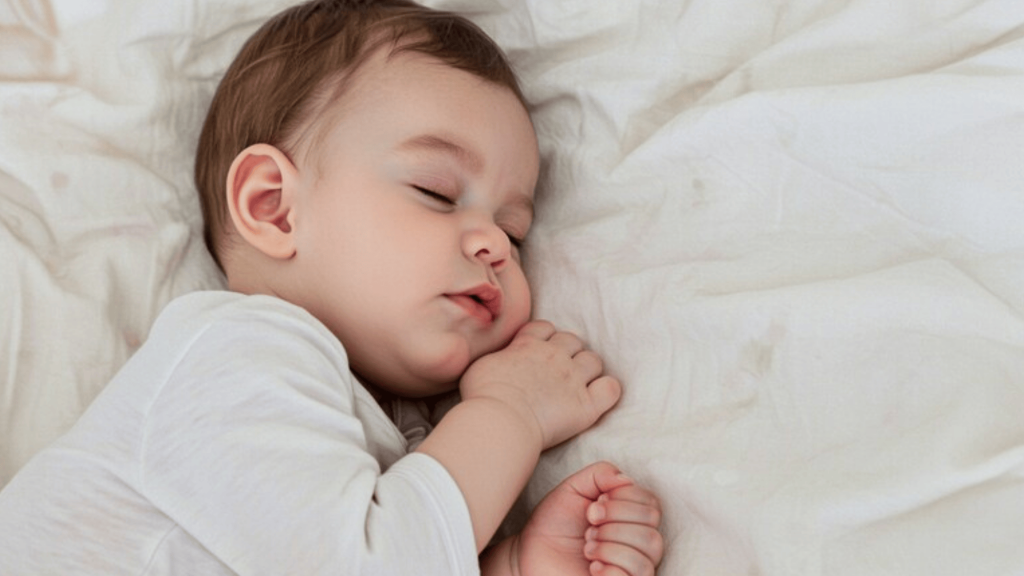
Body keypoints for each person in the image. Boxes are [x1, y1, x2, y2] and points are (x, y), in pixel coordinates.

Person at [0, 1, 664, 574]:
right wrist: (512, 413)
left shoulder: (388, 430)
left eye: (515, 232)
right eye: (435, 192)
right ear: (273, 208)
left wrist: (511, 565)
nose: (493, 243)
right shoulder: (234, 354)